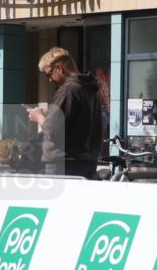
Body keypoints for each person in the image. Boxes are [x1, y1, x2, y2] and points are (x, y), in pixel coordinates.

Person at [26, 47, 103, 179]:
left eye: (48, 74)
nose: (50, 79)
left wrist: (38, 117)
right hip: (87, 161)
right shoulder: (90, 90)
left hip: (63, 162)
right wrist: (50, 115)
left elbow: (53, 130)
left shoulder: (68, 89)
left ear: (59, 68)